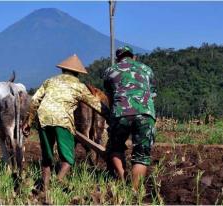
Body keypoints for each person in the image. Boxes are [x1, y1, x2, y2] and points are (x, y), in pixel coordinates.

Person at [22, 54, 109, 192]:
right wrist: (111, 117)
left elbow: (34, 101)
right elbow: (96, 105)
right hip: (62, 120)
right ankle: (58, 180)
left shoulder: (50, 81)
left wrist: (28, 121)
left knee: (47, 157)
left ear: (63, 70)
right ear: (77, 73)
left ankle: (44, 187)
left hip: (43, 118)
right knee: (68, 158)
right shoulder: (78, 86)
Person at [103, 46, 157, 192]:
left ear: (118, 58)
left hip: (120, 113)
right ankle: (133, 191)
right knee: (141, 155)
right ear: (134, 57)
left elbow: (109, 98)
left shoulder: (110, 71)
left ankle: (122, 179)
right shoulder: (146, 69)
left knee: (115, 147)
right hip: (145, 114)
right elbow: (152, 96)